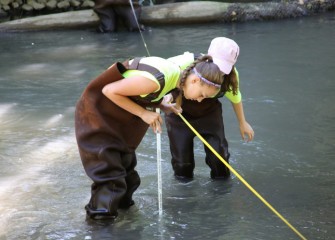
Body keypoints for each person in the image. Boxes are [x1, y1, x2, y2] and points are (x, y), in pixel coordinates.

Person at [75, 55, 223, 220]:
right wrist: (143, 113)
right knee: (110, 181)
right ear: (195, 80)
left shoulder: (176, 77)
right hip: (96, 116)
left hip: (116, 120)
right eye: (202, 94)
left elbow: (138, 92)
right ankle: (100, 226)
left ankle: (124, 218)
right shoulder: (159, 79)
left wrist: (160, 105)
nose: (200, 100)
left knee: (128, 176)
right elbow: (109, 91)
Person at [164, 37, 254, 180]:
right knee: (182, 164)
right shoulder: (183, 63)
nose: (219, 71)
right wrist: (165, 98)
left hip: (209, 114)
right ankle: (184, 193)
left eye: (224, 68)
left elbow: (236, 97)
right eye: (217, 65)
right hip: (179, 115)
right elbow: (161, 78)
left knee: (219, 158)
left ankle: (222, 192)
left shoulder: (230, 76)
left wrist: (242, 122)